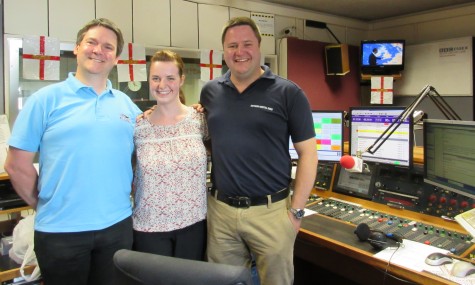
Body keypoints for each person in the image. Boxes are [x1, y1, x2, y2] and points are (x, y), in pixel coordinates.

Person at [4, 18, 142, 285]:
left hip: (117, 227)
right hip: (60, 232)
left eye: (108, 46)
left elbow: (145, 152)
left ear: (116, 58)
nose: (98, 50)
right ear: (77, 48)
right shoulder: (45, 100)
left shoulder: (126, 105)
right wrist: (45, 205)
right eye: (91, 42)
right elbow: (16, 165)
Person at [200, 16, 318, 285]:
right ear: (223, 50)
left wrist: (297, 212)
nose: (239, 52)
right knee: (223, 282)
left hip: (271, 213)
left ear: (259, 46)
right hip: (221, 212)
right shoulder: (210, 92)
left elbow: (309, 155)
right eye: (232, 46)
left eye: (246, 44)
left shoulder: (289, 93)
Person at [132, 50, 208, 260]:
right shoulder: (138, 126)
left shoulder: (200, 120)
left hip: (193, 225)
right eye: (156, 78)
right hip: (149, 228)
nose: (162, 84)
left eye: (170, 78)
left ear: (181, 80)